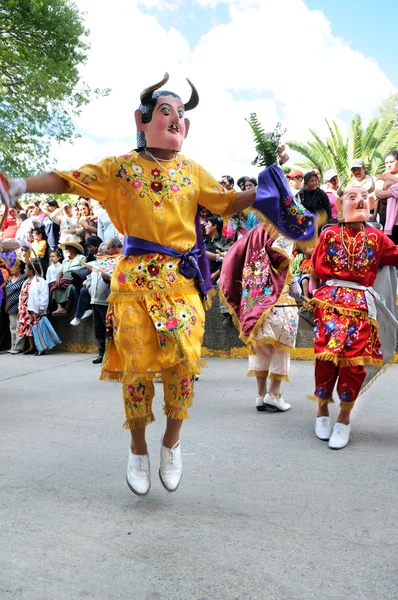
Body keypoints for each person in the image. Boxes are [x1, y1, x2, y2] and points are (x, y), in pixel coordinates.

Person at [2, 74, 259, 496]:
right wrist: (20, 185)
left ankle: (171, 442)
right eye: (165, 111)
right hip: (134, 283)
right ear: (142, 120)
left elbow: (228, 204)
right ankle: (138, 447)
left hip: (180, 282)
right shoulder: (119, 168)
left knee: (184, 364)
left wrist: (267, 186)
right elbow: (69, 180)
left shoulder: (194, 171)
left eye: (181, 113)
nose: (175, 118)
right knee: (136, 370)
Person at [309, 186, 398, 449]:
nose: (360, 200)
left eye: (363, 197)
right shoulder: (328, 234)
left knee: (353, 364)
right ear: (340, 204)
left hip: (361, 305)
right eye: (352, 196)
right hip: (327, 302)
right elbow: (314, 267)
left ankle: (344, 418)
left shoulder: (377, 236)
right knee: (325, 360)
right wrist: (311, 291)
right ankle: (322, 410)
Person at [220, 225, 300, 412]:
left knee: (260, 349)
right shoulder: (283, 231)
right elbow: (281, 261)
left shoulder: (256, 230)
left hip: (255, 299)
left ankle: (260, 394)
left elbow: (234, 255)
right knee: (280, 348)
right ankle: (274, 394)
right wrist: (293, 280)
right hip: (279, 298)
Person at [18, 261, 49, 355]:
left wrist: (42, 307)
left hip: (34, 308)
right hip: (25, 309)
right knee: (27, 329)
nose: (24, 270)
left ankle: (40, 347)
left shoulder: (40, 280)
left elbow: (44, 295)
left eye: (26, 269)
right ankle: (32, 347)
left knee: (36, 328)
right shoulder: (26, 282)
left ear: (31, 271)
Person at [50, 238, 86, 314]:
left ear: (74, 249)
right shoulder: (64, 260)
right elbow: (60, 272)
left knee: (71, 287)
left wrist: (75, 278)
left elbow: (84, 271)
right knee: (55, 286)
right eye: (65, 249)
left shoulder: (81, 258)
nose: (66, 250)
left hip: (75, 279)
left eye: (68, 248)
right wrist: (58, 279)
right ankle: (60, 307)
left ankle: (66, 308)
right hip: (64, 279)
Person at [5, 258, 26, 354]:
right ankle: (13, 346)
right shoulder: (9, 279)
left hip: (20, 305)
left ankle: (19, 347)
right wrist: (6, 304)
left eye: (13, 267)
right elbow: (7, 293)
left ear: (19, 268)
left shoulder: (23, 278)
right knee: (12, 327)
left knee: (19, 326)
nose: (11, 269)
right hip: (10, 305)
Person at [375, 150, 398, 238]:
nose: (388, 165)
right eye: (386, 163)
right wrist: (394, 192)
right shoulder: (383, 176)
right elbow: (378, 193)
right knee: (388, 242)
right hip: (386, 214)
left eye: (392, 162)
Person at [204, 216, 232, 284]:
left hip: (218, 281)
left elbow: (229, 260)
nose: (205, 227)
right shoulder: (208, 242)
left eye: (208, 224)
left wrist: (216, 274)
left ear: (214, 226)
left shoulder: (224, 241)